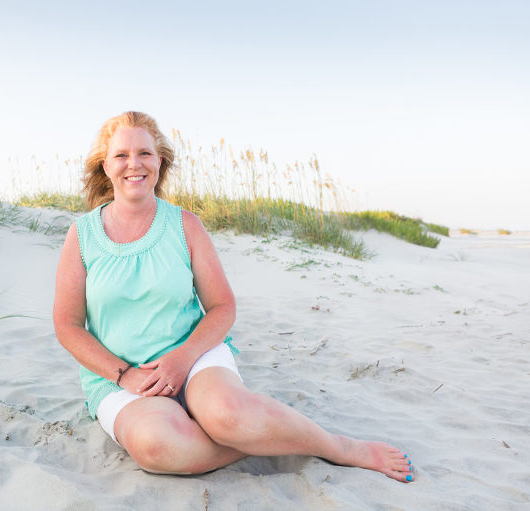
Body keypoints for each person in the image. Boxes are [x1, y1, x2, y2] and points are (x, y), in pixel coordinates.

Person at [52, 111, 415, 482]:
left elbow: (223, 307)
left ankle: (337, 446)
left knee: (228, 417)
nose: (135, 164)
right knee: (156, 446)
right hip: (119, 378)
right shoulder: (81, 235)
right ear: (105, 165)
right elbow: (67, 326)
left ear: (159, 160)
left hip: (193, 357)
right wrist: (124, 373)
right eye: (121, 155)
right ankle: (269, 438)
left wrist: (182, 359)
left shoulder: (184, 225)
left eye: (145, 153)